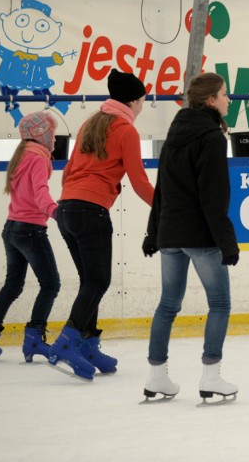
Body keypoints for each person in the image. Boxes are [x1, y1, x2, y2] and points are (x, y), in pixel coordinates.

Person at [47, 69, 154, 381]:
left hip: (67, 208)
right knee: (98, 281)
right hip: (90, 211)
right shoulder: (126, 130)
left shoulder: (91, 122)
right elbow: (139, 182)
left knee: (89, 281)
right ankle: (67, 342)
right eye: (143, 99)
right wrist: (169, 207)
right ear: (134, 101)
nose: (143, 105)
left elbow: (68, 171)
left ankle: (89, 345)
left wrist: (71, 200)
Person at [142, 72, 240, 402]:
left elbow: (161, 190)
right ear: (211, 100)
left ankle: (157, 376)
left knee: (168, 304)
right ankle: (211, 375)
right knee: (220, 303)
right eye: (225, 94)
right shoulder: (212, 138)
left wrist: (153, 232)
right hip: (199, 235)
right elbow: (214, 197)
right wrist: (226, 242)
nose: (229, 99)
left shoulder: (175, 135)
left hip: (170, 233)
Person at [0, 112, 61, 362]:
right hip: (30, 230)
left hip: (11, 229)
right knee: (51, 284)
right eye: (51, 132)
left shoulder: (22, 154)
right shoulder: (38, 158)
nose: (53, 137)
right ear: (41, 134)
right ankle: (34, 340)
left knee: (12, 286)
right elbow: (41, 193)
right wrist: (57, 212)